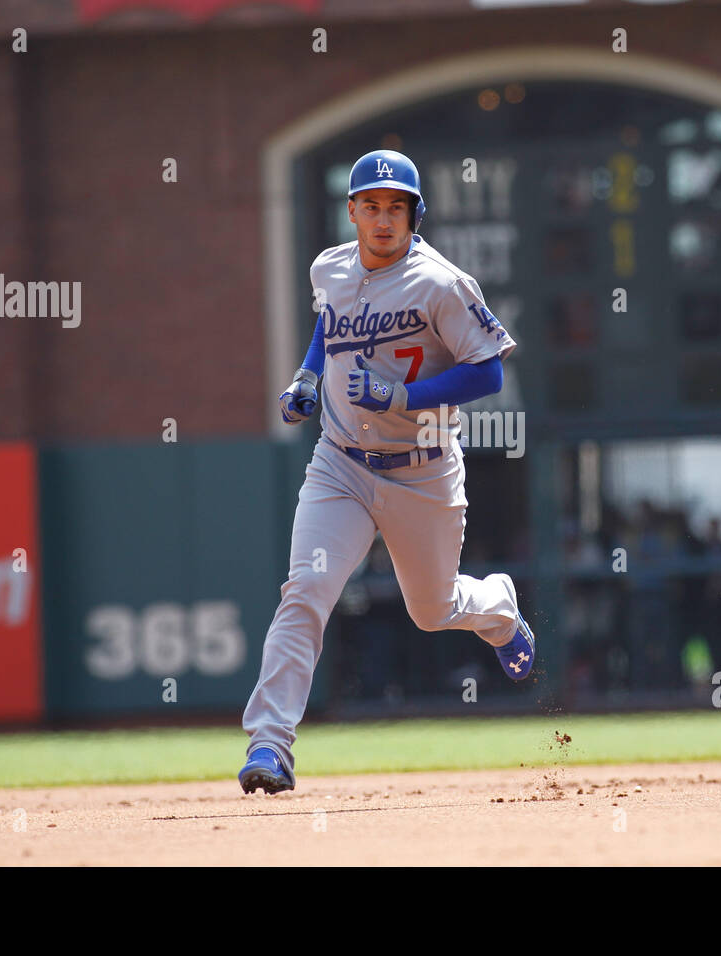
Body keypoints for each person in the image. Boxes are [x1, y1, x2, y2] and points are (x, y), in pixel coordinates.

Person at [237, 149, 536, 795]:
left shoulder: (442, 283)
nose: (382, 217)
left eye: (395, 206)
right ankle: (269, 742)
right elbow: (328, 323)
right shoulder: (329, 267)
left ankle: (500, 608)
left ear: (414, 214)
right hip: (339, 464)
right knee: (305, 592)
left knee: (433, 610)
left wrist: (403, 397)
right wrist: (307, 376)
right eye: (370, 205)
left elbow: (488, 370)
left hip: (422, 470)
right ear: (351, 211)